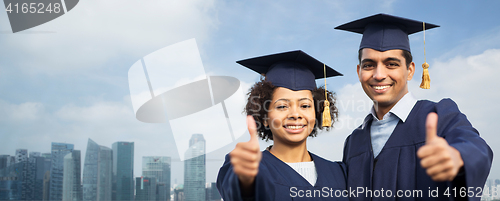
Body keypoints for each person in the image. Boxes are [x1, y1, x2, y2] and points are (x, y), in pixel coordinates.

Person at [335, 13, 493, 200]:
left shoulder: (439, 116)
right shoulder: (353, 141)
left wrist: (458, 158)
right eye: (369, 65)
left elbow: (477, 147)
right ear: (359, 71)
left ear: (410, 71)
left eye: (391, 64)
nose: (379, 74)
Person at [216, 50, 349, 201]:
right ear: (264, 117)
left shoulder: (338, 173)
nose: (295, 114)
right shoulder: (249, 168)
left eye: (305, 106)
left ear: (318, 113)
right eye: (282, 106)